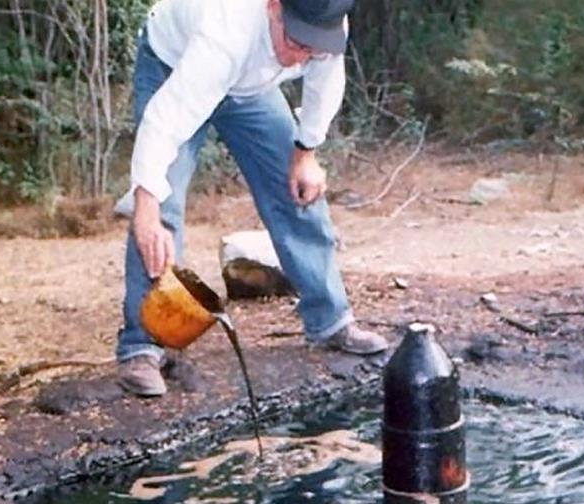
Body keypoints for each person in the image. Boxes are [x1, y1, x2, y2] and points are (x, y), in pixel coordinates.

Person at [115, 0, 389, 397]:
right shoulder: (225, 32)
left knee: (299, 189)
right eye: (296, 41)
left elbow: (326, 83)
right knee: (162, 213)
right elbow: (164, 121)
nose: (302, 55)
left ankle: (329, 322)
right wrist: (145, 206)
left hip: (252, 89)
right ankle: (142, 347)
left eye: (313, 46)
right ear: (273, 7)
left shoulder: (326, 22)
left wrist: (305, 152)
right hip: (174, 65)